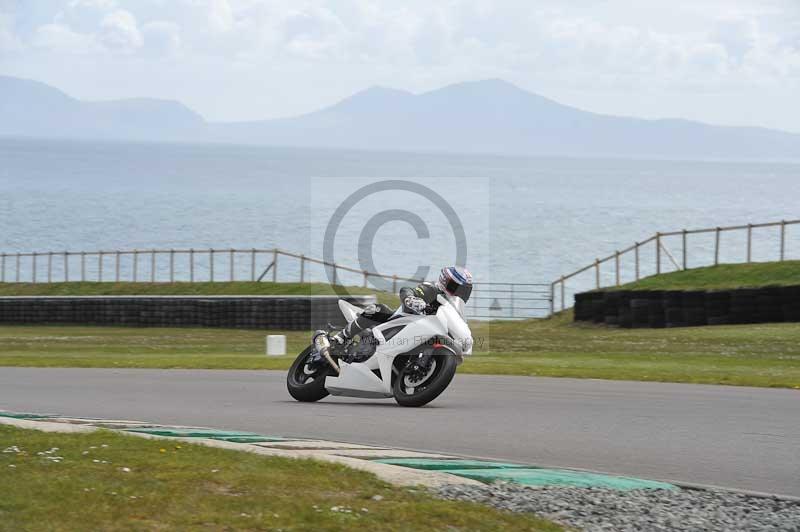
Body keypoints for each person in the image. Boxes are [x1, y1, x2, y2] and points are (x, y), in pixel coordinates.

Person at [332, 266, 473, 344]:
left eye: (463, 291)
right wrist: (412, 299)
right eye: (456, 287)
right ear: (445, 281)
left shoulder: (453, 311)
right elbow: (408, 290)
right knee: (378, 309)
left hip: (418, 337)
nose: (458, 293)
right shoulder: (432, 290)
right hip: (398, 322)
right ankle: (341, 337)